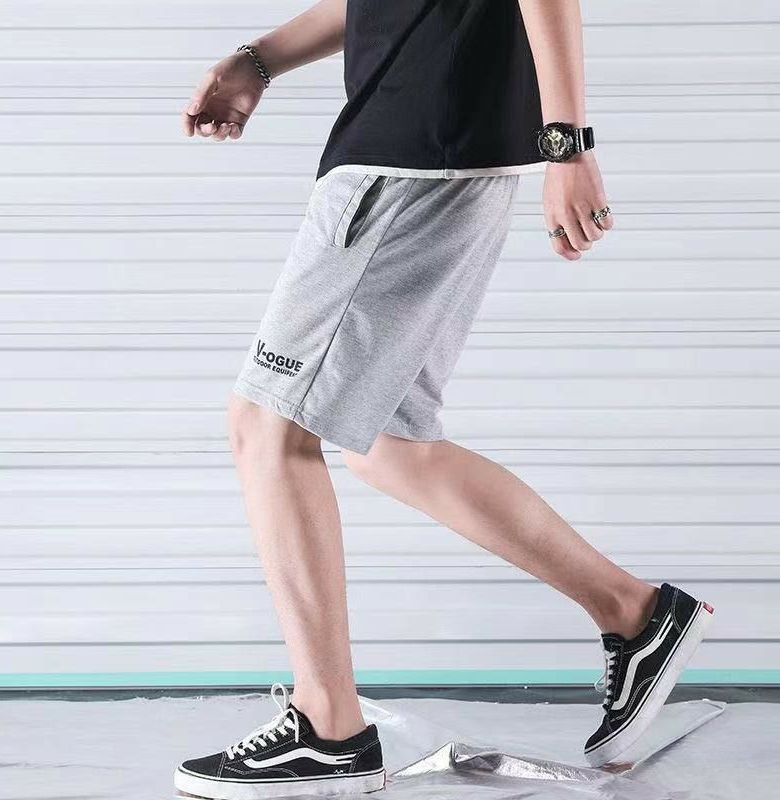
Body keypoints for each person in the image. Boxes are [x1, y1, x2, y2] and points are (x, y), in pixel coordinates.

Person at [173, 2, 714, 796]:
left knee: (268, 424)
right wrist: (259, 60)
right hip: (438, 145)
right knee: (388, 443)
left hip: (410, 150)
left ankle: (327, 729)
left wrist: (568, 145)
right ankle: (636, 616)